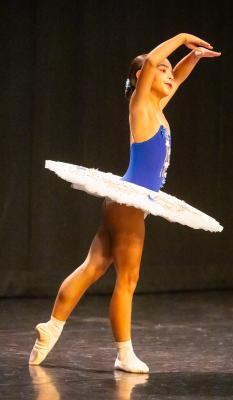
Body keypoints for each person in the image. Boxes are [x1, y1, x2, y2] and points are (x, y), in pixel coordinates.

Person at [29, 32, 222, 373]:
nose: (168, 75)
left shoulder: (156, 108)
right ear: (141, 78)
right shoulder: (140, 103)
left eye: (168, 71)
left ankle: (52, 326)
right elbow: (150, 62)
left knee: (94, 267)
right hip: (129, 202)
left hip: (125, 203)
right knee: (128, 281)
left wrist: (192, 59)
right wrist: (181, 38)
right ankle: (124, 353)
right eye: (162, 70)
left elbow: (176, 78)